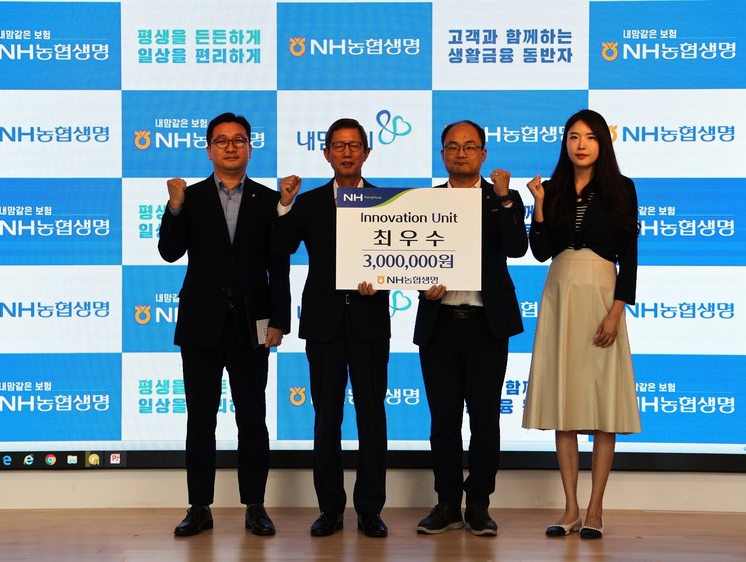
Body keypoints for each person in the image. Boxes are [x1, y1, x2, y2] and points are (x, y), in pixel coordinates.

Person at [158, 112, 291, 537]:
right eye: (221, 140)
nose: (230, 147)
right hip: (201, 322)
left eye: (238, 140)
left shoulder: (268, 199)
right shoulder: (190, 197)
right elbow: (169, 252)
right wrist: (174, 207)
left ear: (250, 148)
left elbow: (279, 266)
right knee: (200, 418)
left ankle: (255, 505)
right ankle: (199, 507)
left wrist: (279, 321)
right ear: (209, 149)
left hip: (253, 323)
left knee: (252, 418)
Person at [522, 109, 641, 540]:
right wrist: (538, 204)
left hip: (602, 294)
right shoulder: (551, 188)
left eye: (589, 137)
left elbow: (630, 255)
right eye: (573, 137)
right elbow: (540, 251)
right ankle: (570, 507)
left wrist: (617, 309)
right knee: (565, 403)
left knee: (603, 404)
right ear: (565, 143)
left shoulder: (621, 188)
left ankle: (596, 508)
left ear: (602, 143)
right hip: (561, 293)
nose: (581, 145)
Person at [273, 118, 391, 538]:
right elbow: (281, 247)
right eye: (338, 146)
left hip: (369, 321)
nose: (346, 153)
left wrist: (382, 281)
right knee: (326, 419)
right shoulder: (307, 203)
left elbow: (401, 259)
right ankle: (330, 509)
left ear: (366, 152)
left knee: (372, 419)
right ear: (326, 154)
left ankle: (370, 510)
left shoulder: (387, 203)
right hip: (324, 323)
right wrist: (284, 204)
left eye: (354, 145)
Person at [414, 120, 528, 536]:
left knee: (484, 420)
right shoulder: (425, 201)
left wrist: (504, 198)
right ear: (442, 154)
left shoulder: (502, 197)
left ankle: (479, 504)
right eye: (452, 147)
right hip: (439, 323)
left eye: (469, 146)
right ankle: (447, 503)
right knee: (443, 421)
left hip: (486, 324)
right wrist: (421, 284)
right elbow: (410, 257)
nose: (460, 153)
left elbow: (517, 248)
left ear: (483, 154)